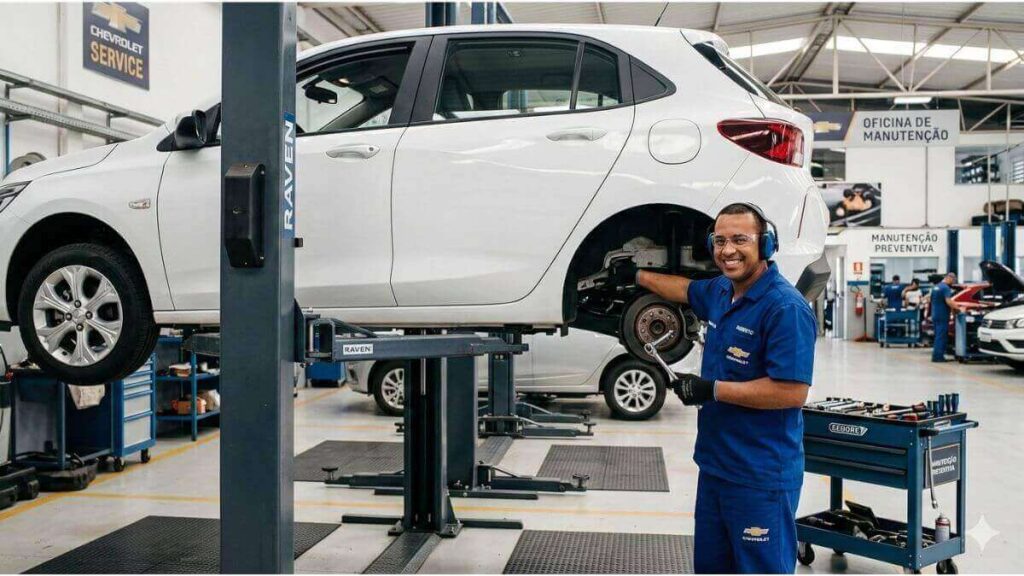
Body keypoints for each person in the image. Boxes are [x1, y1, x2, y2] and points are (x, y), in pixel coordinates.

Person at [615, 203, 816, 573]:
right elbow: (685, 289)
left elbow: (791, 392)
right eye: (720, 241)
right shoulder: (723, 292)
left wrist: (712, 390)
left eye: (740, 239)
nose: (727, 250)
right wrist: (637, 275)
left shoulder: (785, 308)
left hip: (761, 477)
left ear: (766, 245)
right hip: (716, 468)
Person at [930, 273, 962, 362]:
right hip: (942, 315)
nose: (953, 282)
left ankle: (936, 355)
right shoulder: (945, 288)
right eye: (953, 280)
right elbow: (948, 301)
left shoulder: (936, 287)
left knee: (938, 336)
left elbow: (931, 300)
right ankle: (938, 357)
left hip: (935, 314)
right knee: (941, 336)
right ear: (949, 278)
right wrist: (958, 308)